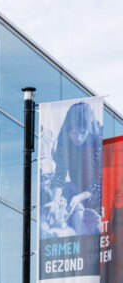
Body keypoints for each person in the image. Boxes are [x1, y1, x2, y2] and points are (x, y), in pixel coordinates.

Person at [43, 100, 102, 238]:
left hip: (95, 193)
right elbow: (60, 174)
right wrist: (55, 202)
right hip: (78, 188)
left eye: (82, 133)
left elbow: (100, 183)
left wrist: (79, 197)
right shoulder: (63, 140)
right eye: (74, 133)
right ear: (68, 129)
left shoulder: (98, 142)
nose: (78, 138)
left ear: (89, 130)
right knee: (67, 190)